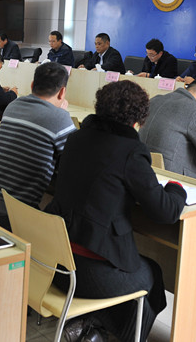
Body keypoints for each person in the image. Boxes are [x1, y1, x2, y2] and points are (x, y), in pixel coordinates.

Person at [46, 80, 187, 342]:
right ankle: (113, 332)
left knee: (137, 268)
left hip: (55, 264)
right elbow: (165, 211)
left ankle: (92, 326)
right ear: (139, 119)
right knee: (153, 274)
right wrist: (177, 188)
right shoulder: (130, 151)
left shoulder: (76, 138)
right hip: (88, 274)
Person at [0, 62, 75, 229]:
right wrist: (62, 113)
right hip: (10, 211)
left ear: (32, 85)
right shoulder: (60, 118)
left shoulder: (13, 106)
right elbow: (73, 159)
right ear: (62, 92)